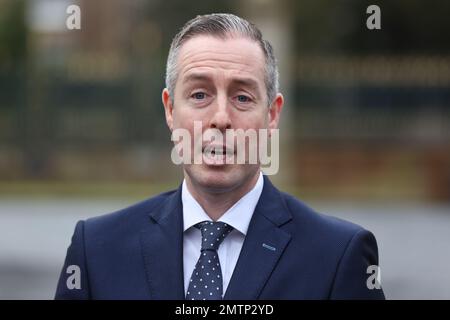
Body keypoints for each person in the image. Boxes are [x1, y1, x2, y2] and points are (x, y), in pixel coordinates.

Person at [55, 13, 385, 300]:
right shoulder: (97, 251)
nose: (221, 118)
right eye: (200, 94)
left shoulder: (338, 256)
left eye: (242, 97)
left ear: (272, 115)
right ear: (170, 109)